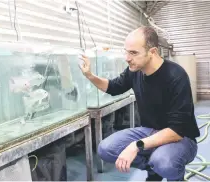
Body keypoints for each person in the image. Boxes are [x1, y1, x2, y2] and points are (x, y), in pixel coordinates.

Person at [79, 26, 200, 181]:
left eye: (134, 53)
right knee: (105, 149)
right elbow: (113, 87)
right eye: (126, 51)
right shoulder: (134, 71)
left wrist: (136, 145)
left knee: (163, 162)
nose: (127, 58)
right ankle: (154, 170)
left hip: (181, 137)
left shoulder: (176, 76)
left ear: (153, 52)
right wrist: (90, 75)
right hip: (150, 131)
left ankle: (174, 176)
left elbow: (176, 131)